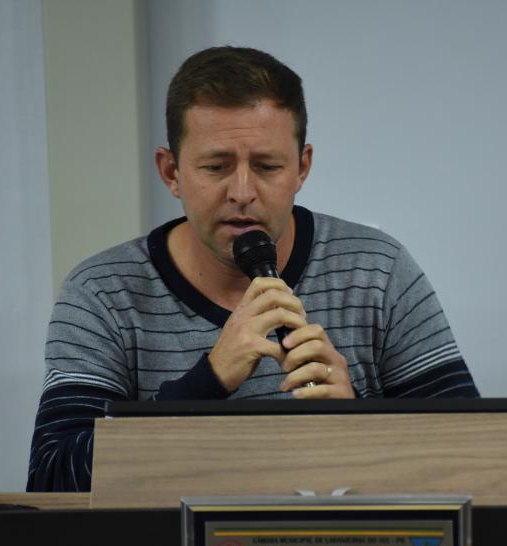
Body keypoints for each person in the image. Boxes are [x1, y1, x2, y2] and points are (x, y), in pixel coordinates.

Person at [27, 46, 478, 492]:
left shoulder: (377, 270)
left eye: (266, 166)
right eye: (216, 167)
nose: (242, 192)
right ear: (171, 172)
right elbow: (52, 480)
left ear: (302, 168)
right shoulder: (102, 293)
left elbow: (473, 461)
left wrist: (361, 421)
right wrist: (207, 383)